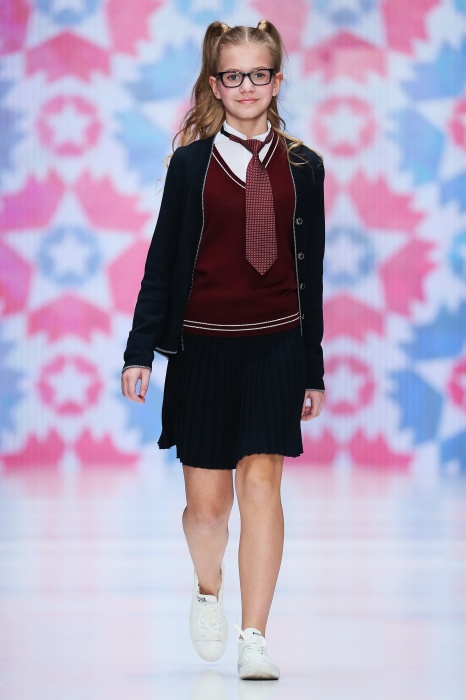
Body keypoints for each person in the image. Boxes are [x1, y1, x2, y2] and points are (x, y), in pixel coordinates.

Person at [121, 19, 325, 681]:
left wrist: (312, 366)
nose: (246, 86)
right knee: (207, 509)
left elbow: (311, 269)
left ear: (277, 81)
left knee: (262, 483)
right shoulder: (190, 166)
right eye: (233, 75)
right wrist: (139, 351)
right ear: (215, 84)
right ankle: (208, 588)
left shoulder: (304, 167)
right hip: (204, 348)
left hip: (275, 345)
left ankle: (254, 636)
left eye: (258, 74)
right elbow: (162, 262)